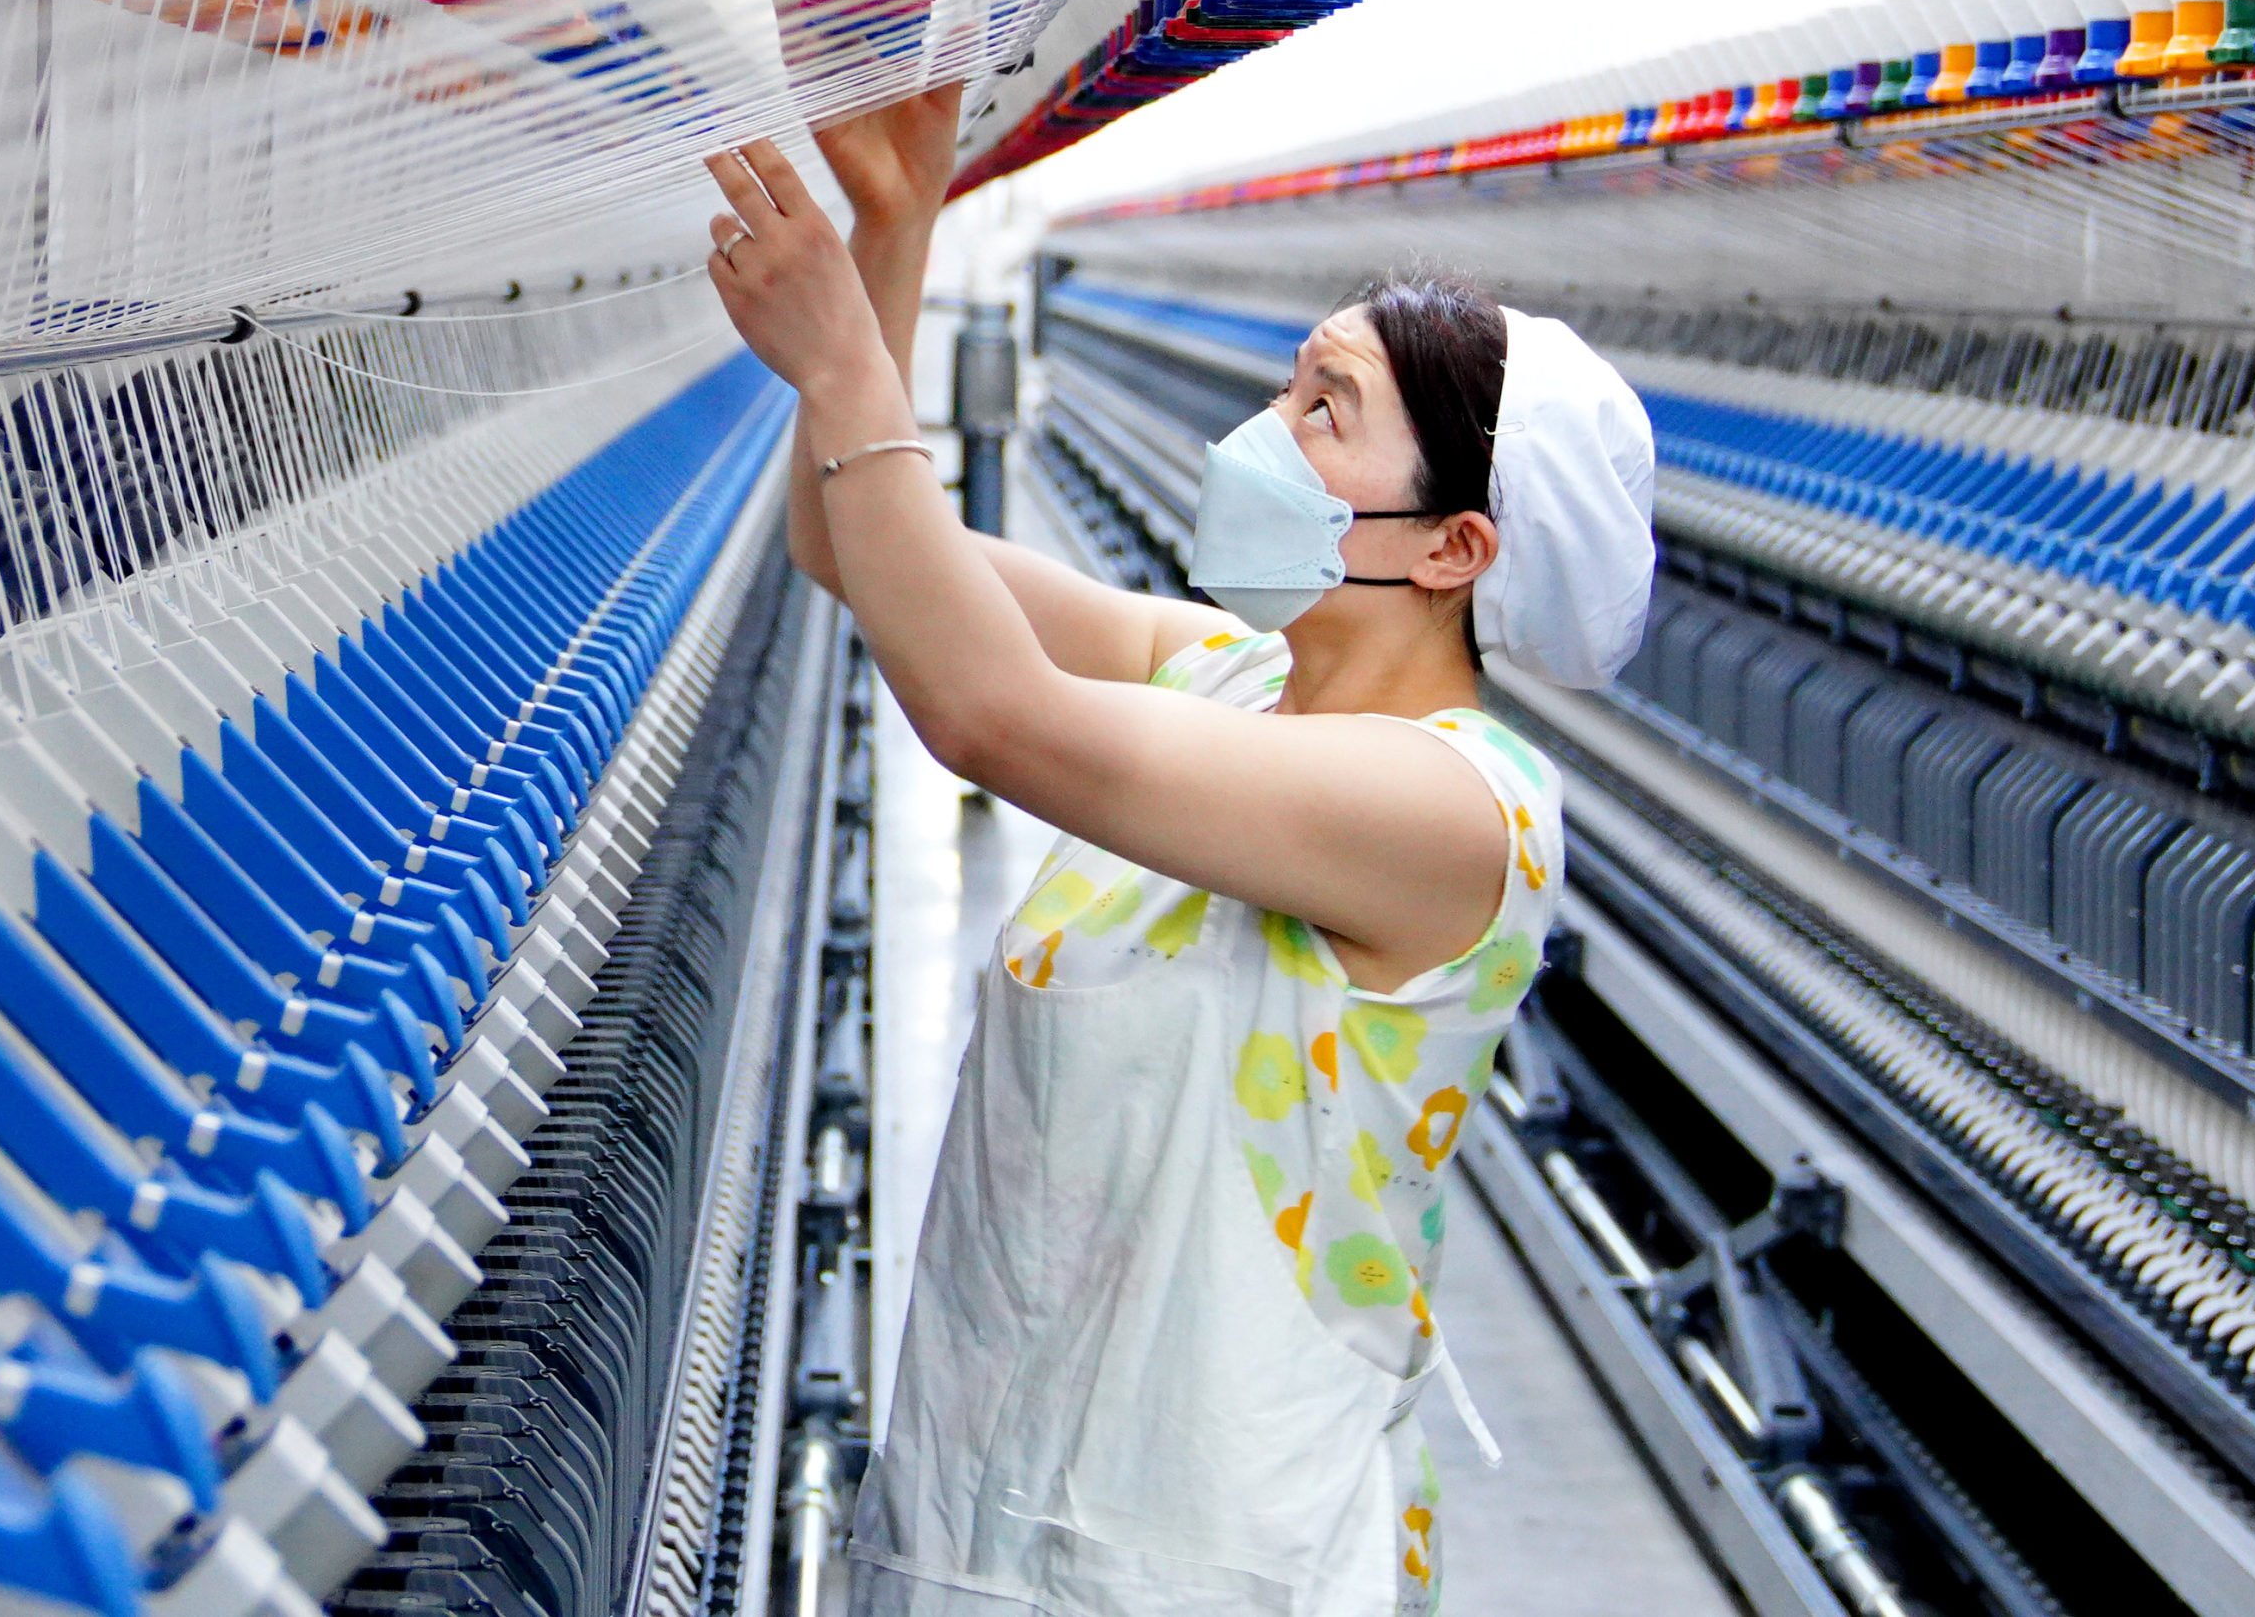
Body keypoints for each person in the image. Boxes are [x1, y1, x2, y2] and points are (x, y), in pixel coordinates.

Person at [698, 91, 1658, 1617]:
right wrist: (896, 231)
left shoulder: (1458, 813)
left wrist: (838, 359)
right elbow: (860, 554)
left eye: (1325, 410)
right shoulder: (1219, 669)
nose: (1264, 433)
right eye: (1290, 386)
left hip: (1210, 1564)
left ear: (1451, 546)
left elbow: (990, 714)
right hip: (983, 1518)